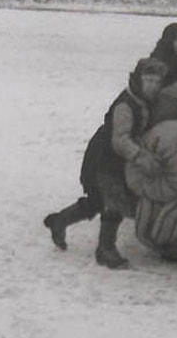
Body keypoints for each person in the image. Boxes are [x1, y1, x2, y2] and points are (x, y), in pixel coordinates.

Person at [44, 57, 168, 269]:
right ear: (139, 80)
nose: (153, 86)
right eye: (149, 80)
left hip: (117, 159)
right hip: (105, 159)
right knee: (114, 202)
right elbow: (120, 140)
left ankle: (59, 221)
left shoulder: (143, 102)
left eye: (157, 82)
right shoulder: (126, 105)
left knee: (96, 202)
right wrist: (141, 156)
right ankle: (105, 249)